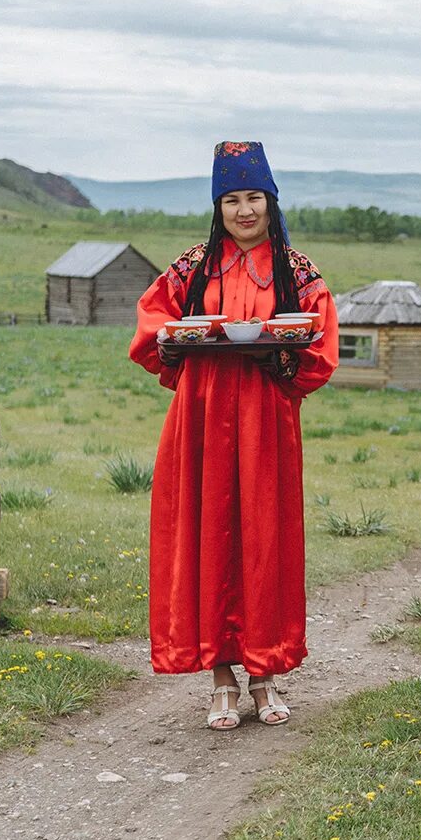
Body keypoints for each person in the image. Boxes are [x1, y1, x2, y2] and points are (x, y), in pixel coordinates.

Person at [128, 141, 339, 730]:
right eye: (231, 200)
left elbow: (319, 351)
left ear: (271, 203)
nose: (244, 211)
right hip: (200, 422)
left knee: (262, 540)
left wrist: (280, 356)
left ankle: (264, 674)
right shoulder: (191, 269)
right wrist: (177, 340)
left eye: (254, 198)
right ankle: (221, 677)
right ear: (217, 206)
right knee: (207, 537)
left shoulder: (298, 274)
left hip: (267, 423)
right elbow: (151, 333)